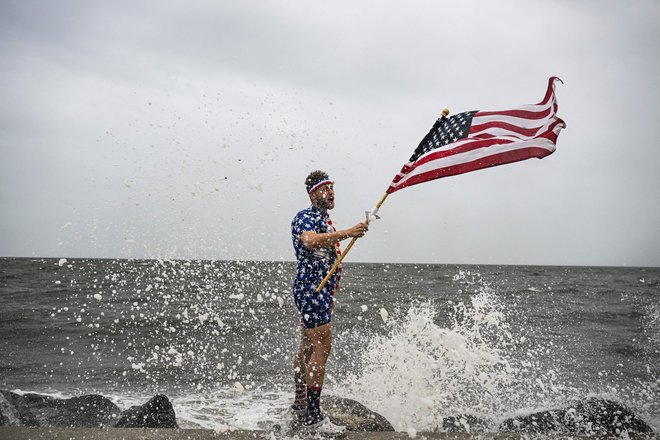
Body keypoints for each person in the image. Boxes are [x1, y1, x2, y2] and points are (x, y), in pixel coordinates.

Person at [290, 170, 368, 434]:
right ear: (314, 194)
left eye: (332, 188)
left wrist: (331, 292)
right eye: (326, 189)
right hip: (311, 291)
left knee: (308, 347)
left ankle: (300, 404)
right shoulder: (306, 217)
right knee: (322, 347)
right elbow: (309, 241)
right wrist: (348, 232)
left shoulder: (324, 219)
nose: (331, 193)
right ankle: (313, 418)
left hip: (319, 292)